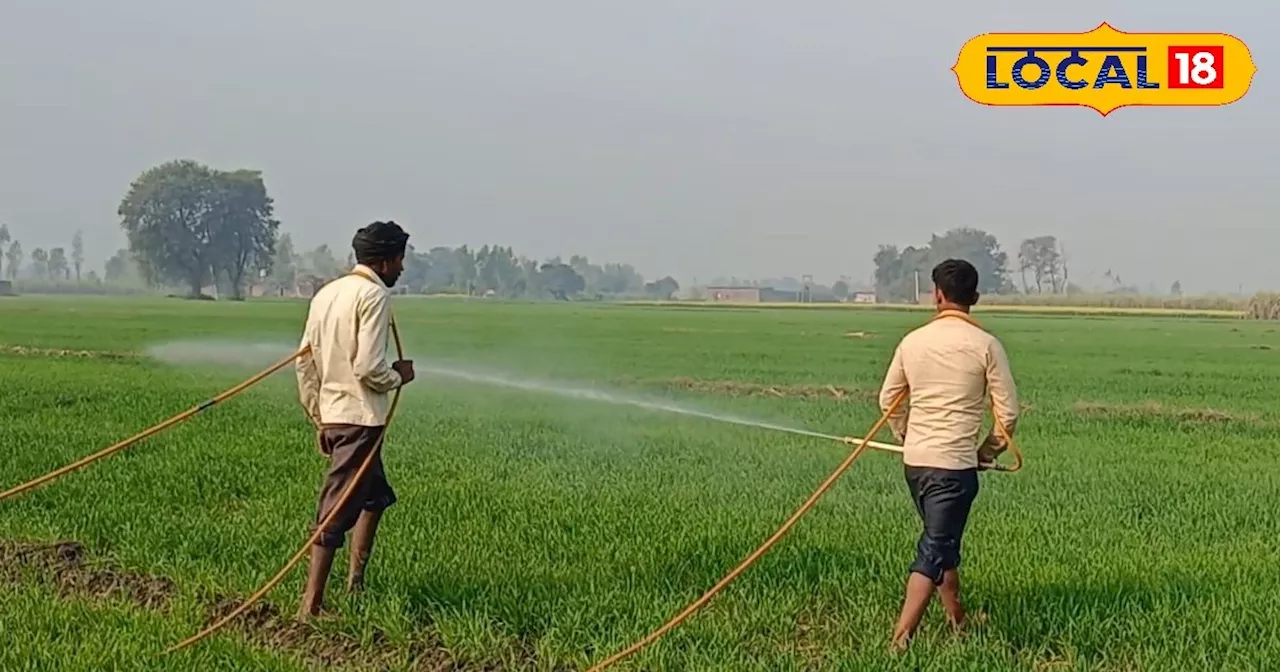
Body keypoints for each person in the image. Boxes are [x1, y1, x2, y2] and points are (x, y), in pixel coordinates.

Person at [876, 258, 1018, 651]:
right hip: (954, 469)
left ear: (936, 295)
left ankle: (958, 619)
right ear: (975, 298)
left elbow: (888, 398)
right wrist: (986, 452)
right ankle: (900, 641)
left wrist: (907, 434)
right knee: (935, 548)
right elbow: (1007, 414)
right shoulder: (986, 345)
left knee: (942, 543)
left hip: (916, 465)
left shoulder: (912, 341)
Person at [293, 220, 416, 620]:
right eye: (399, 260)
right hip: (361, 419)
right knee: (336, 509)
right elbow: (368, 367)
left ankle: (355, 585)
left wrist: (319, 417)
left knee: (375, 497)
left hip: (338, 414)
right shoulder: (373, 296)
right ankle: (310, 606)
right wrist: (398, 376)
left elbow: (305, 362)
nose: (402, 268)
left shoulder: (327, 294)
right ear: (384, 261)